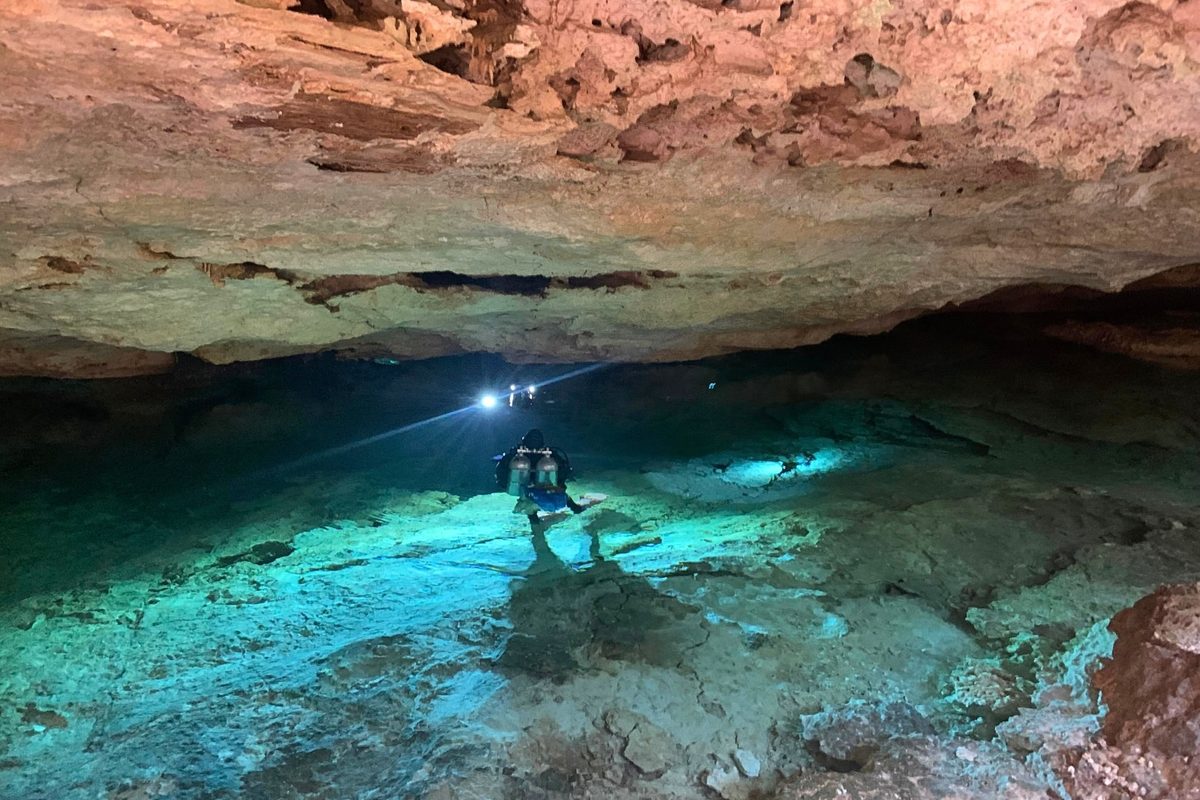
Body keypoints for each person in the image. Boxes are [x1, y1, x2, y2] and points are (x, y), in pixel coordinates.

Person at [495, 429, 585, 528]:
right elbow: (564, 470)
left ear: (524, 440)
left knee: (526, 499)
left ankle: (534, 521)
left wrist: (502, 483)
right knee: (563, 496)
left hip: (525, 486)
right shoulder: (550, 456)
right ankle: (576, 508)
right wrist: (561, 483)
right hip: (544, 486)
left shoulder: (515, 456)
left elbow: (501, 471)